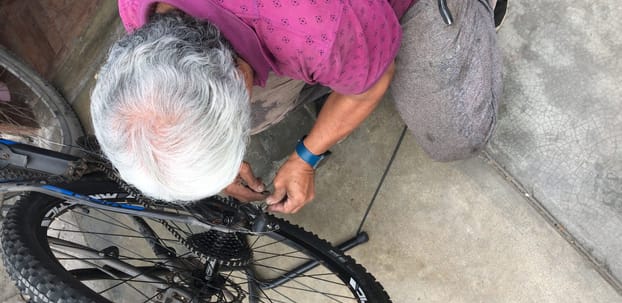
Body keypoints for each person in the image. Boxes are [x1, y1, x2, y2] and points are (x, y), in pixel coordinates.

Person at [91, 0, 504, 213]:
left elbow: (373, 82)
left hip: (332, 21)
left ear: (237, 77)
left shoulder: (315, 32)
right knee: (257, 116)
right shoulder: (139, 9)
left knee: (457, 134)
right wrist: (204, 158)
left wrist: (306, 156)